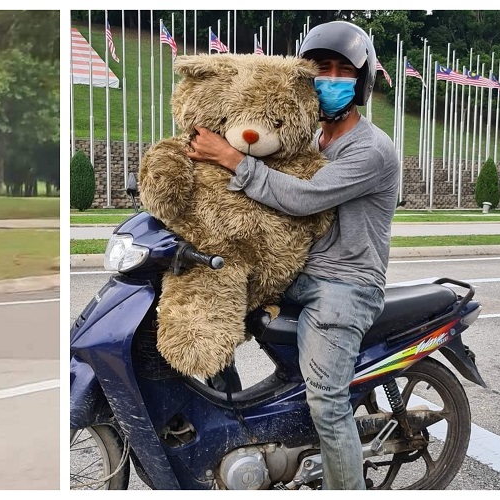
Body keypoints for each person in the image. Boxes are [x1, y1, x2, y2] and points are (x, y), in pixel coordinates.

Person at [186, 21, 400, 490]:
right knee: (211, 309)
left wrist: (231, 158)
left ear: (361, 82)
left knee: (326, 400)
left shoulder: (372, 150)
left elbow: (302, 196)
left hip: (347, 285)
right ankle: (232, 428)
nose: (329, 78)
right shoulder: (308, 138)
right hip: (298, 272)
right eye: (320, 67)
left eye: (342, 70)